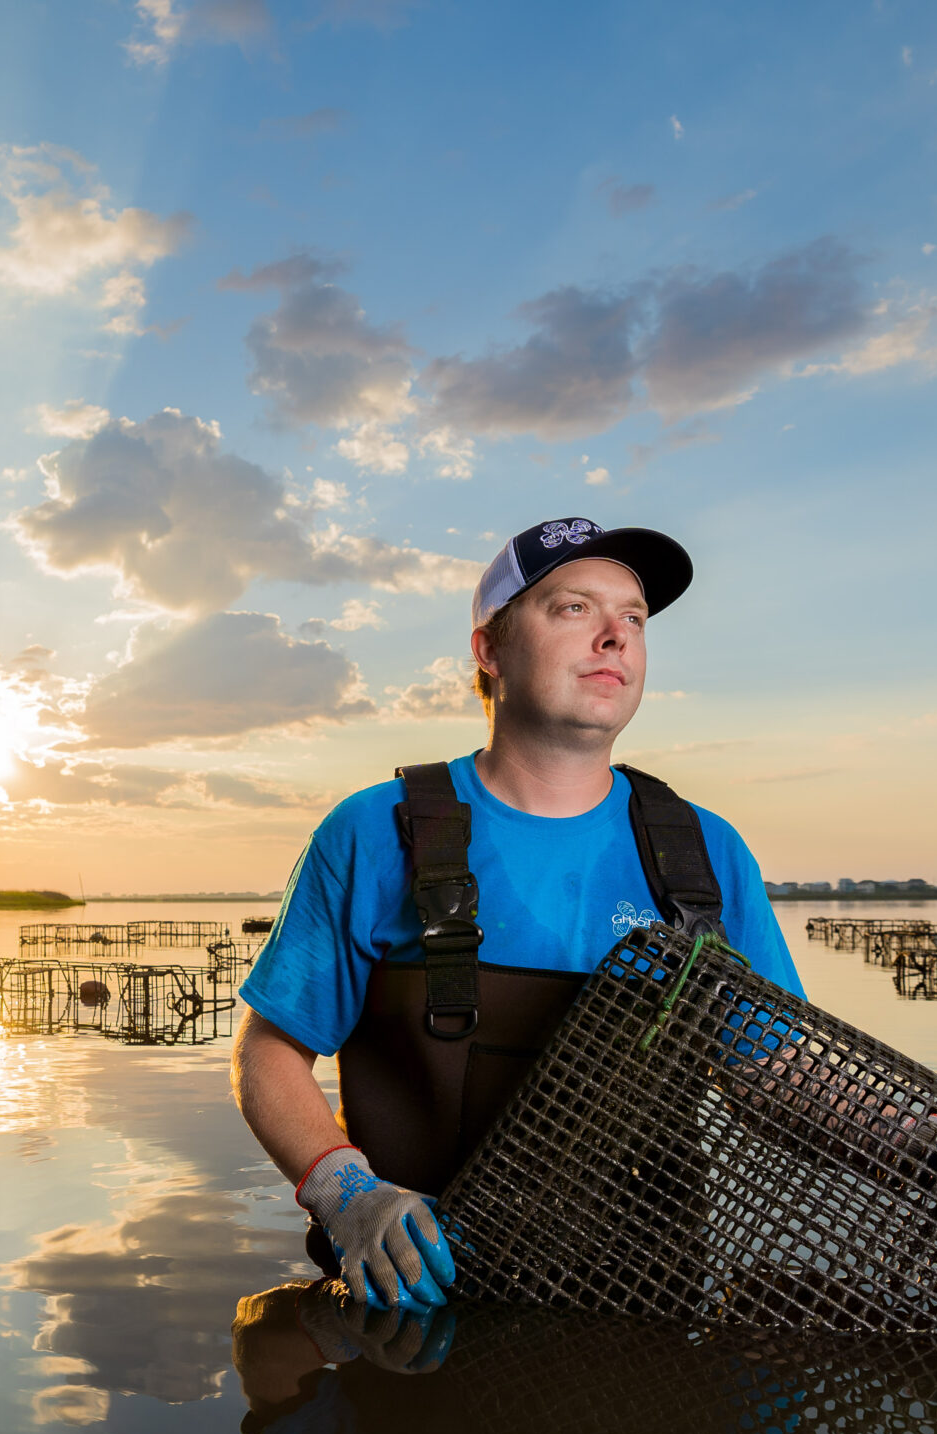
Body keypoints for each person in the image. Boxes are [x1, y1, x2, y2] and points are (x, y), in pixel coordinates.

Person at [231, 517, 804, 1311]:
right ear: (489, 651)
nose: (615, 636)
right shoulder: (375, 831)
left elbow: (789, 1077)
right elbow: (270, 1051)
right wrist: (347, 1195)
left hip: (646, 1314)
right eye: (574, 608)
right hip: (415, 1312)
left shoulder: (707, 853)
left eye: (633, 617)